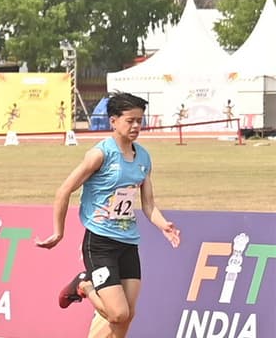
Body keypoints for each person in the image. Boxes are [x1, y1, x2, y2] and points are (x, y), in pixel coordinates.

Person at [35, 92, 180, 338]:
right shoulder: (100, 155)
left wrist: (163, 225)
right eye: (130, 120)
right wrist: (58, 232)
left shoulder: (143, 157)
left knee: (127, 316)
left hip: (128, 242)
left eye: (139, 121)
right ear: (113, 121)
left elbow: (148, 205)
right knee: (118, 314)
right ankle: (85, 285)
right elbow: (64, 191)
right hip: (100, 242)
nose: (136, 126)